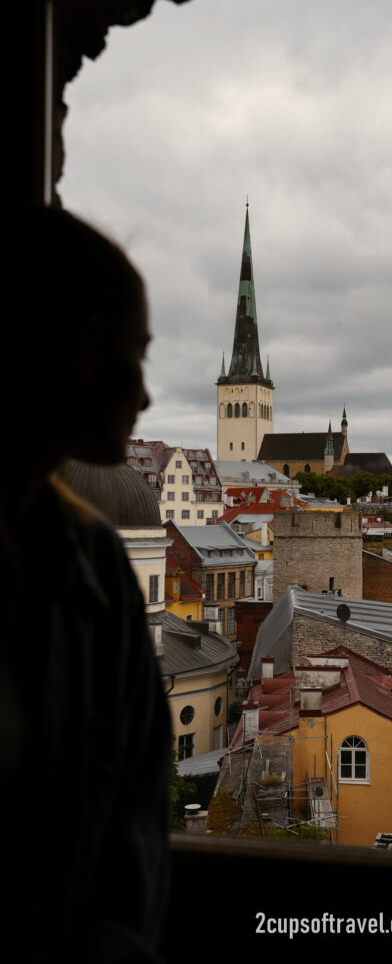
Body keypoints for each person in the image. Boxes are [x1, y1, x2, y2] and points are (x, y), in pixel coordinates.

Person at [0, 206, 171, 960]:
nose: (146, 396)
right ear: (86, 348)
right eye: (140, 354)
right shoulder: (93, 571)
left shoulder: (95, 562)